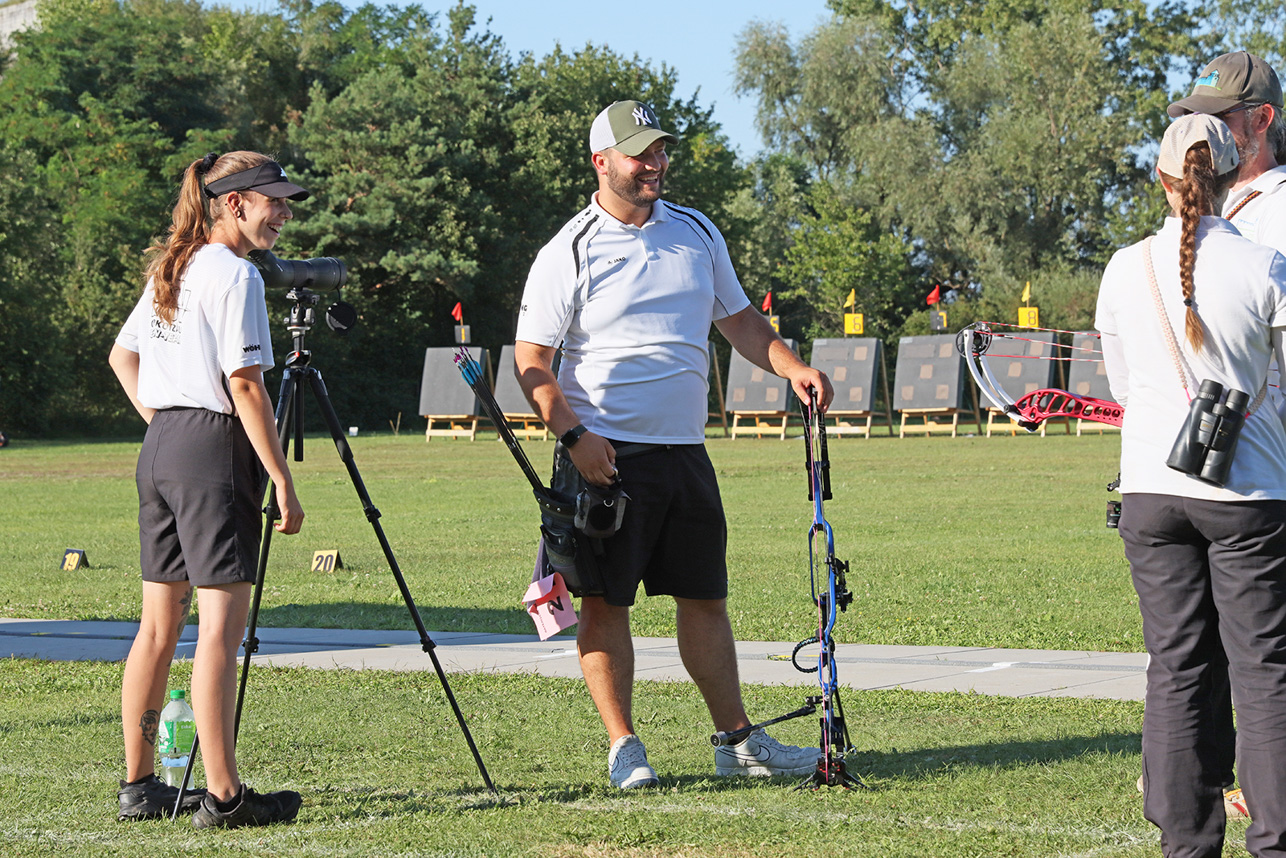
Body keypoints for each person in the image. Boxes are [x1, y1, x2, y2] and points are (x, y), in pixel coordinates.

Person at [514, 100, 835, 789]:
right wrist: (575, 437)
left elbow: (741, 320)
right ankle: (624, 747)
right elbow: (531, 361)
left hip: (686, 452)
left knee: (705, 597)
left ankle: (737, 743)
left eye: (660, 151)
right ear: (602, 162)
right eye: (640, 154)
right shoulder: (569, 248)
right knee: (605, 604)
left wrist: (793, 367)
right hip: (603, 456)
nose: (655, 164)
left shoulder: (696, 231)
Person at [1096, 114, 1286, 857]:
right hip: (1250, 492)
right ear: (1236, 174)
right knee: (1263, 672)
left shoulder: (1123, 268)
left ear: (1163, 180)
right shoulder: (1266, 265)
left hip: (1151, 487)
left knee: (1176, 668)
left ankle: (1186, 844)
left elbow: (1122, 387)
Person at [110, 151, 308, 828]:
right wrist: (281, 477)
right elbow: (245, 385)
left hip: (162, 444)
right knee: (220, 628)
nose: (283, 214)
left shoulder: (175, 264)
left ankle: (140, 786)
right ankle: (224, 796)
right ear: (234, 203)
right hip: (211, 447)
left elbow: (123, 357)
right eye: (273, 201)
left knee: (157, 628)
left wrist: (166, 424)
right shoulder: (236, 274)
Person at [1165, 50, 1286, 821]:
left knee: (1265, 644)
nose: (1200, 131)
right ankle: (1212, 776)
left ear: (1261, 121)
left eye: (1218, 118)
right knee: (1207, 639)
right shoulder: (1210, 214)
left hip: (1266, 454)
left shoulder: (1279, 209)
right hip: (1205, 456)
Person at [1170, 51, 1286, 253]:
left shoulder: (1280, 202)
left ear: (1262, 118)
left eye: (1217, 117)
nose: (1204, 129)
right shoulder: (1210, 197)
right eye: (1195, 116)